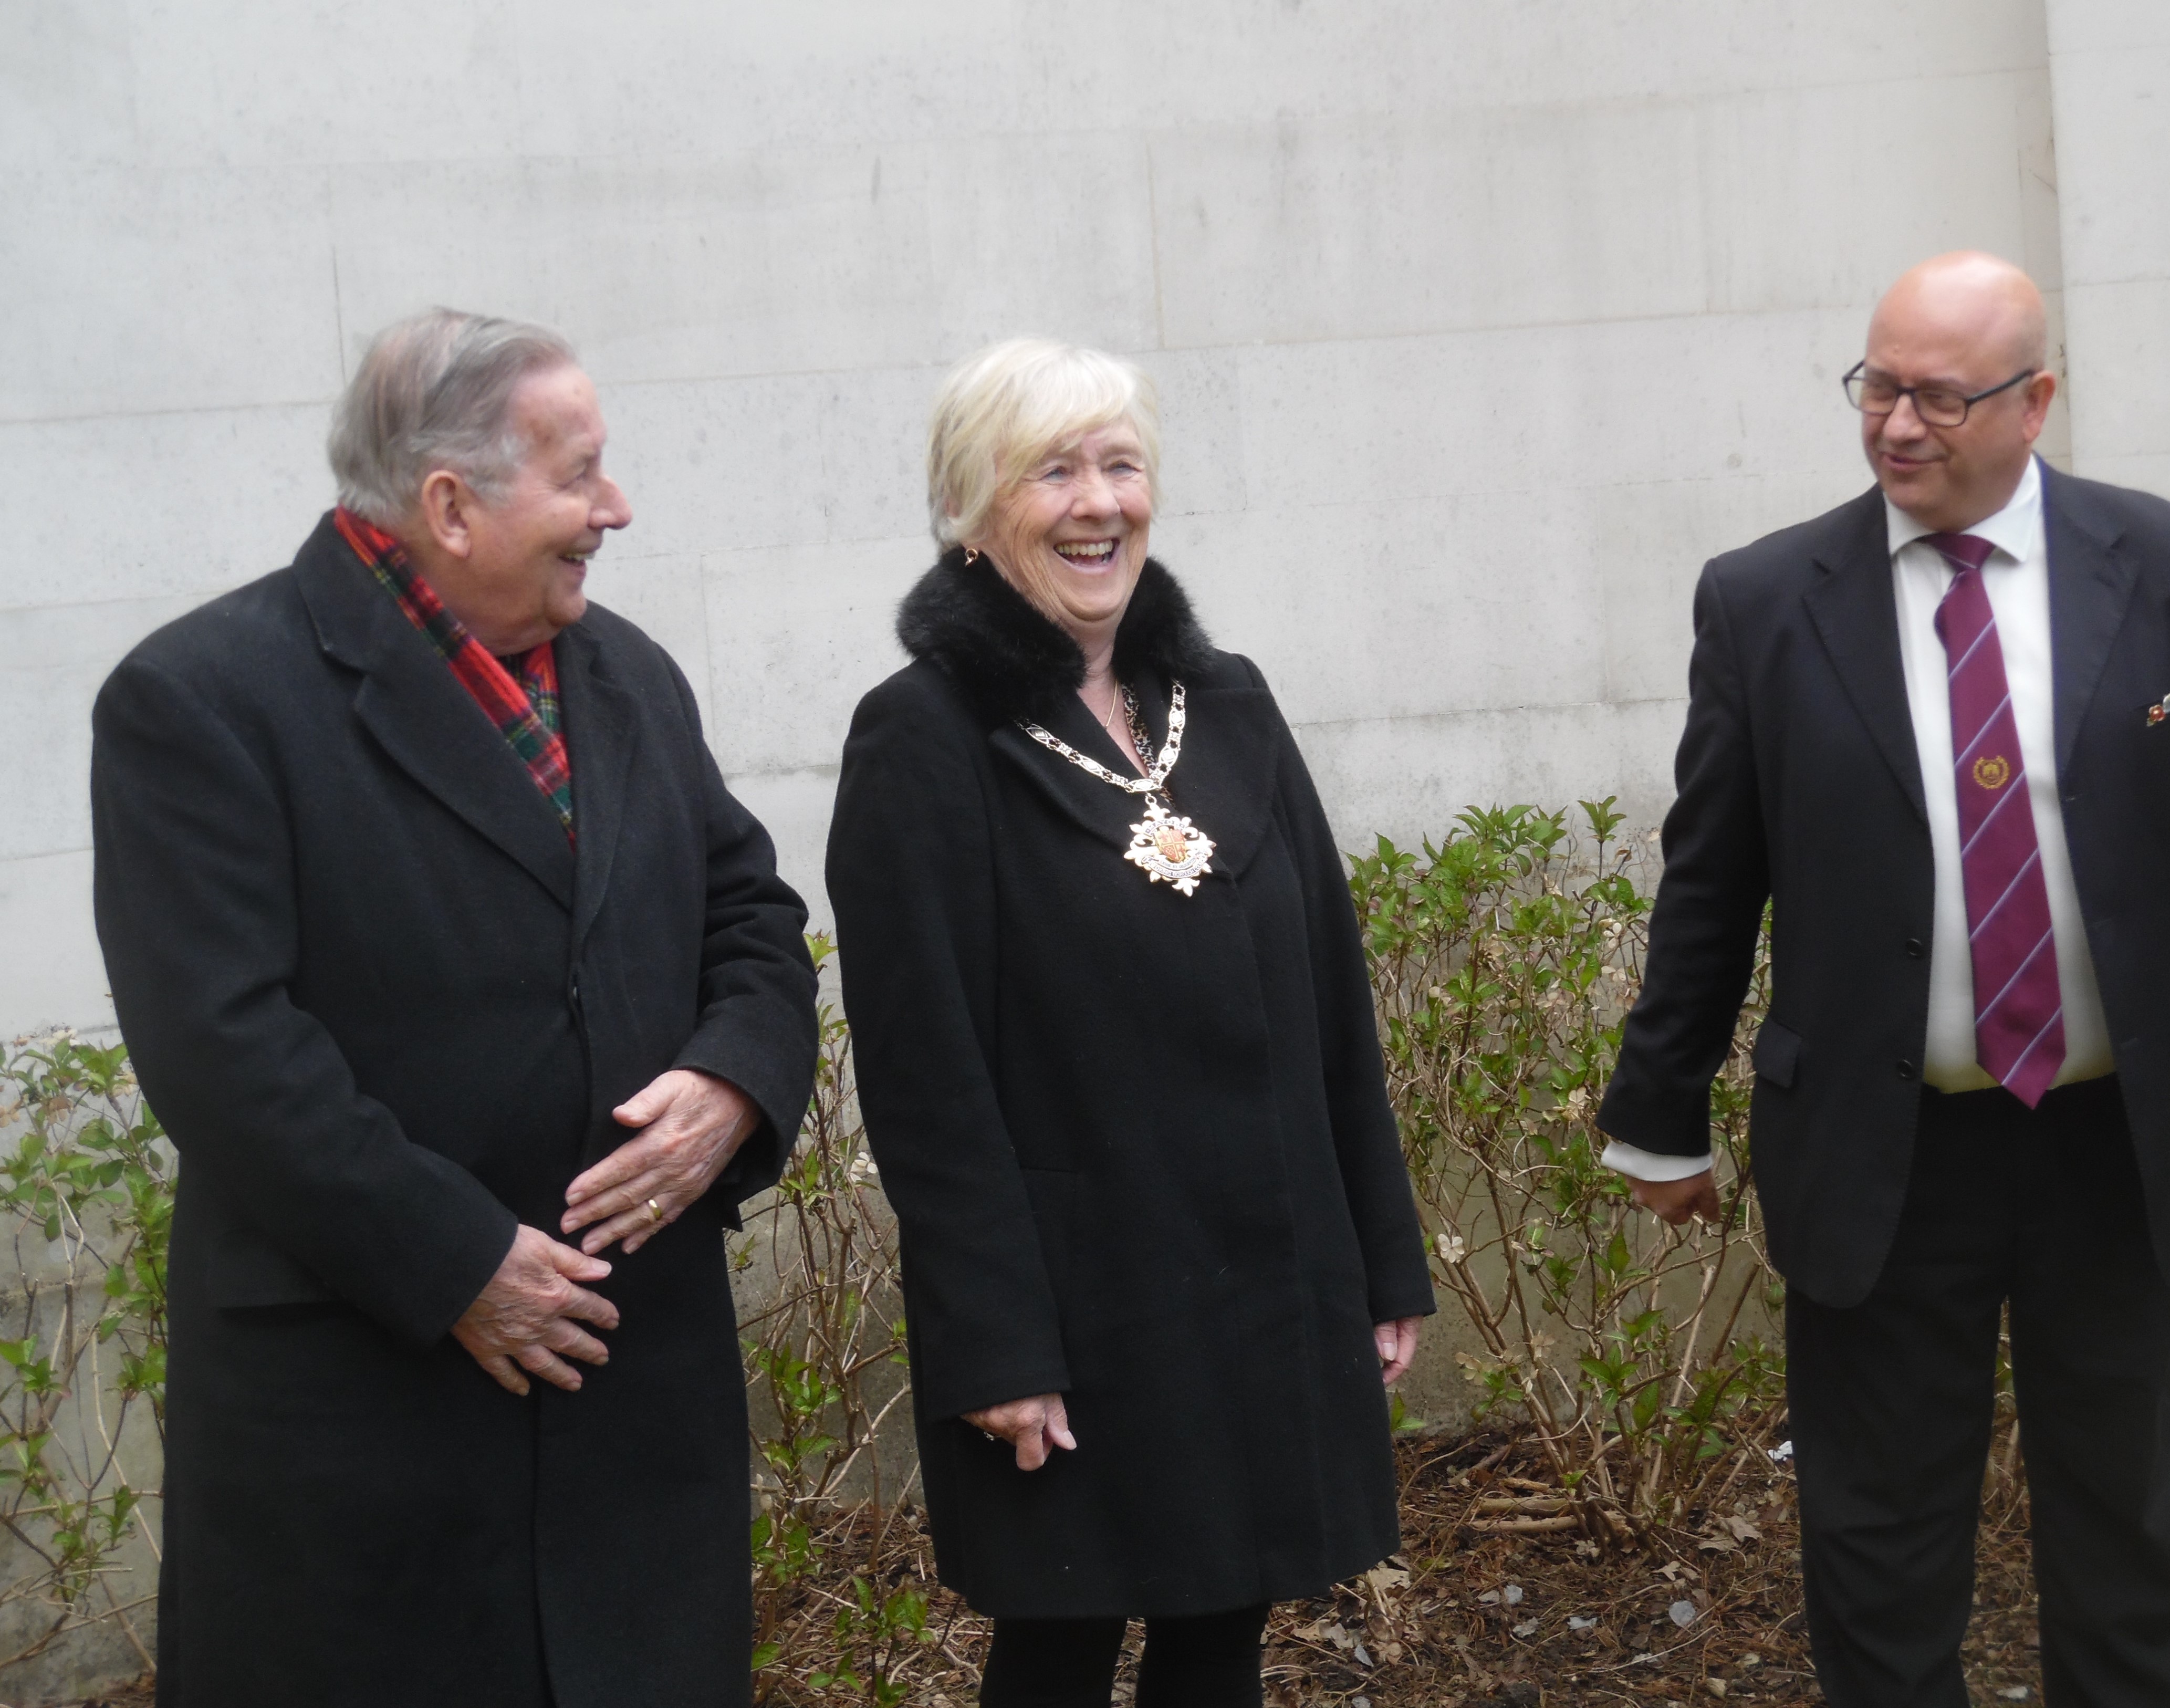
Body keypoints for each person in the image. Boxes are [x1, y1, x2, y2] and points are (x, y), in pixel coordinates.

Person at [90, 308, 820, 1707]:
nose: (617, 508)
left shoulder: (628, 676)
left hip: (632, 1410)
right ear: (448, 504)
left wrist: (734, 1078)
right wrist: (455, 1260)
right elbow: (220, 1044)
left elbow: (752, 919)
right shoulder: (201, 700)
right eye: (580, 473)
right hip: (369, 1417)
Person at [1597, 251, 2170, 1706]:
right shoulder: (1765, 599)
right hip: (1879, 1144)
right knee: (1878, 1538)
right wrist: (1656, 1110)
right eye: (1875, 385)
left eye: (1937, 395)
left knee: (2130, 1522)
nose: (1895, 425)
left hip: (2111, 1141)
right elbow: (1711, 874)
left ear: (2034, 401)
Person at [825, 339, 1434, 1707]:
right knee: (1062, 1640)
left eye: (1120, 464)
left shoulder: (1226, 701)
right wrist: (993, 1337)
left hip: (1262, 1276)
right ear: (973, 513)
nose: (1098, 502)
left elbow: (1330, 995)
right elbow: (925, 1080)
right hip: (1076, 1301)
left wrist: (1378, 1255)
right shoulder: (920, 739)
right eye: (1053, 471)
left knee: (1223, 1626)